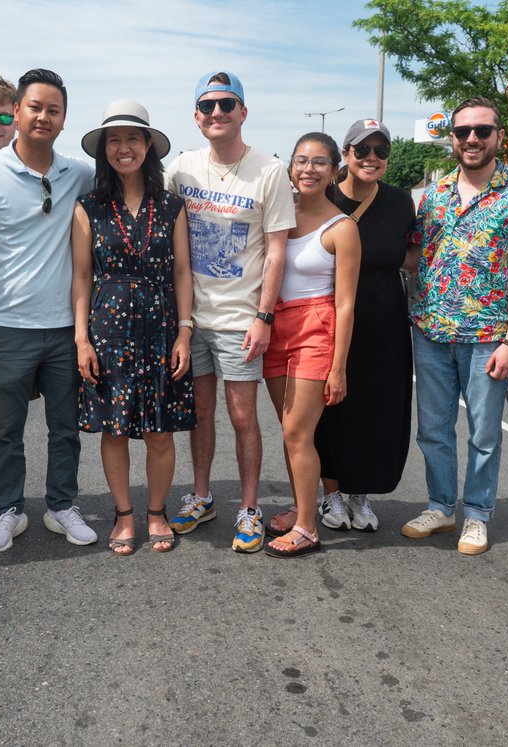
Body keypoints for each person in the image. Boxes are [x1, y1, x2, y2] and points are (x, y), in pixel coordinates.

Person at [0, 68, 97, 553]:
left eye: (53, 110)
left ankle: (61, 506)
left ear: (63, 120)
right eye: (34, 107)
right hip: (8, 327)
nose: (43, 116)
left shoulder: (80, 173)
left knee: (65, 428)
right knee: (6, 430)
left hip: (66, 328)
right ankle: (7, 509)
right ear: (18, 112)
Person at [400, 97, 508, 555]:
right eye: (463, 132)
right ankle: (441, 507)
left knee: (484, 433)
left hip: (487, 337)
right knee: (433, 429)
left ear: (500, 136)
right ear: (453, 140)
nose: (472, 139)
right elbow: (415, 255)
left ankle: (477, 514)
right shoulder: (435, 194)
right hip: (431, 330)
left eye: (483, 131)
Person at [165, 70, 296, 552]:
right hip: (191, 319)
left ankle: (248, 506)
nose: (216, 113)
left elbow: (276, 251)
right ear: (196, 117)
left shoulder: (269, 171)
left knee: (243, 417)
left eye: (226, 104)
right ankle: (201, 496)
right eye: (207, 106)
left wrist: (264, 316)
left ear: (243, 112)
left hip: (242, 319)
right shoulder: (181, 169)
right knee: (199, 414)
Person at [71, 101, 195, 555]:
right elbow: (82, 275)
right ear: (104, 150)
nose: (124, 148)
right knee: (116, 429)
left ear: (148, 146)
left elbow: (182, 271)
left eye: (133, 138)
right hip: (108, 328)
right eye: (115, 140)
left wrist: (184, 332)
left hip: (161, 324)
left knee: (160, 430)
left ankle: (157, 511)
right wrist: (82, 339)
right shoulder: (89, 206)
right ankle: (125, 514)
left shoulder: (172, 205)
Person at [310, 119, 415, 533]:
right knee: (329, 409)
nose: (371, 158)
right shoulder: (324, 198)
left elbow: (413, 256)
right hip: (327, 320)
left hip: (384, 323)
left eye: (380, 151)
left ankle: (360, 495)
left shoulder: (400, 202)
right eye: (362, 150)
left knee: (376, 410)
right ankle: (331, 495)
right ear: (347, 154)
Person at [260, 133, 360, 558]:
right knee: (289, 431)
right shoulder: (280, 216)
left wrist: (338, 367)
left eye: (320, 162)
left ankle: (306, 528)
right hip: (275, 326)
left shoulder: (343, 227)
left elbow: (347, 304)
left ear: (335, 169)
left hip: (316, 329)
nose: (308, 169)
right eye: (301, 160)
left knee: (298, 431)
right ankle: (302, 507)